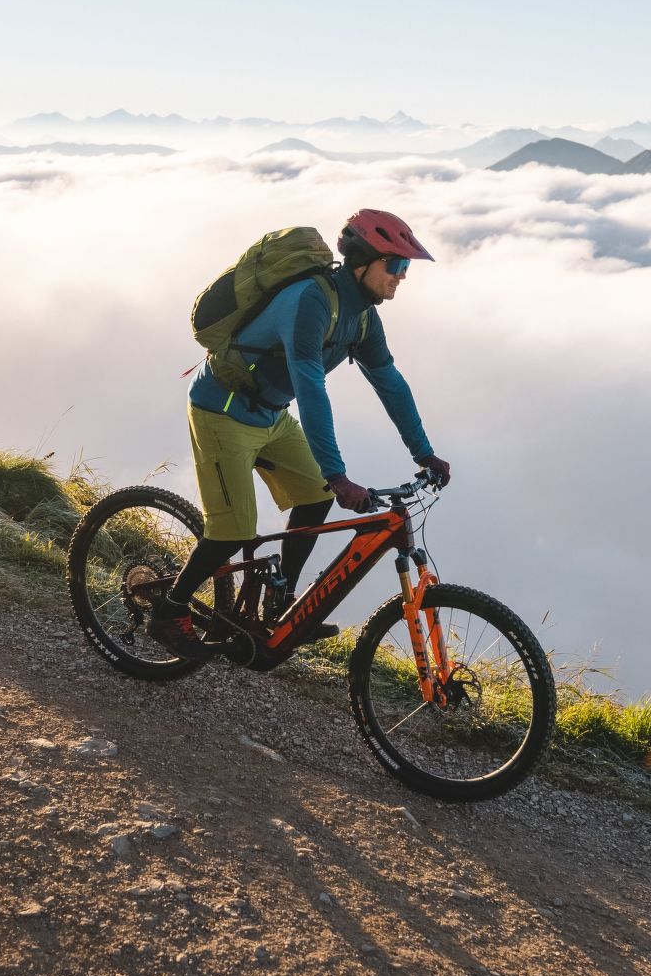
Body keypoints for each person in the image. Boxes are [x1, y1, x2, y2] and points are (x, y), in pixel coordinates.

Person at [150, 208, 451, 655]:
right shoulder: (312, 301)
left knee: (315, 498)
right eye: (396, 265)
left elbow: (389, 382)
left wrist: (424, 453)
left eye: (405, 267)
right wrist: (338, 472)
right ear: (363, 261)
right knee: (233, 530)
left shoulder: (364, 316)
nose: (402, 277)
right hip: (223, 409)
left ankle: (280, 604)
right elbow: (311, 388)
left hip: (270, 414)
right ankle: (169, 609)